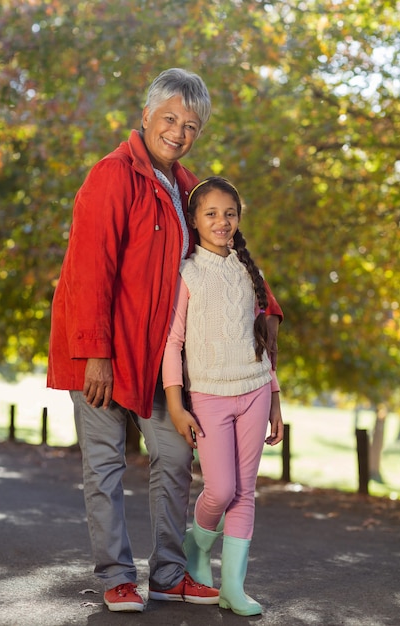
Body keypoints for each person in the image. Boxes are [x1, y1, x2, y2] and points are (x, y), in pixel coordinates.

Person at [47, 69, 283, 613]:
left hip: (157, 354)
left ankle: (170, 573)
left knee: (176, 454)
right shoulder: (111, 175)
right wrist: (96, 353)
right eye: (170, 119)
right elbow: (89, 270)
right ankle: (115, 575)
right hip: (102, 353)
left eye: (191, 125)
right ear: (146, 115)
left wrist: (265, 307)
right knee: (104, 465)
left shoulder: (185, 185)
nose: (178, 132)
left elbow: (218, 256)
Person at [162, 176, 284, 617]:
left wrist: (274, 400)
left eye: (229, 213)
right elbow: (172, 344)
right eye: (211, 213)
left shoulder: (249, 271)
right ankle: (197, 547)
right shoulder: (187, 272)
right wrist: (177, 405)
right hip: (209, 398)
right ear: (194, 220)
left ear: (239, 218)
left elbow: (262, 346)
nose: (221, 221)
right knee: (221, 489)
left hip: (253, 391)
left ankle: (233, 587)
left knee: (246, 492)